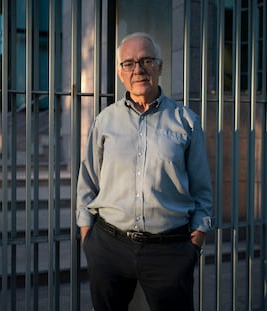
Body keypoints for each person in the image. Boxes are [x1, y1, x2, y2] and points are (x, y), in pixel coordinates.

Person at [76, 32, 213, 311]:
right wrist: (88, 238)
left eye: (146, 60)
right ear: (120, 73)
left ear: (160, 67)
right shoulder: (105, 121)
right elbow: (87, 181)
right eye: (129, 63)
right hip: (108, 246)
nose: (138, 69)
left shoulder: (186, 122)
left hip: (170, 252)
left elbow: (202, 191)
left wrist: (194, 245)